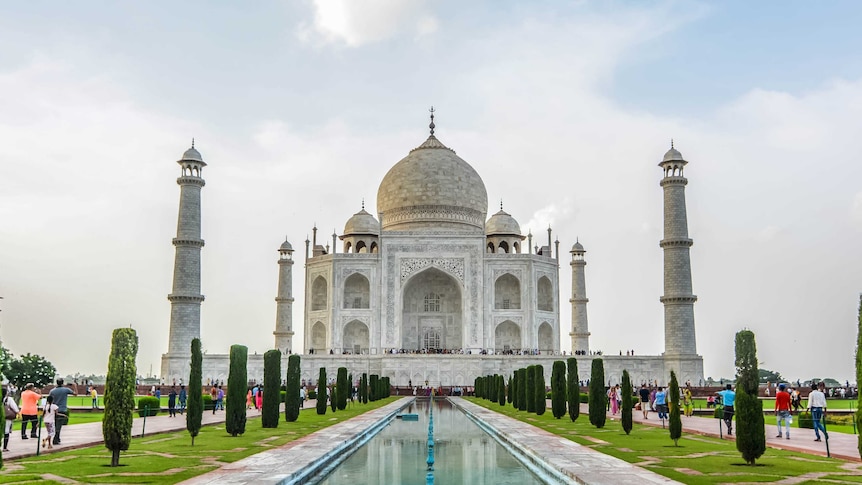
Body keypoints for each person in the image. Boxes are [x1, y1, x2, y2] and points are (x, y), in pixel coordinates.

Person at [48, 378, 78, 445]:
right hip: (62, 410)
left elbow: (49, 401)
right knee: (58, 425)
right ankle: (56, 439)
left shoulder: (52, 391)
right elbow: (75, 394)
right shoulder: (65, 390)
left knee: (55, 424)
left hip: (54, 409)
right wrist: (75, 386)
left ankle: (57, 438)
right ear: (62, 383)